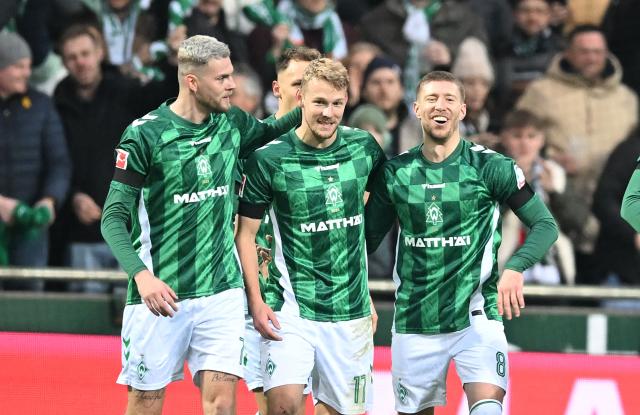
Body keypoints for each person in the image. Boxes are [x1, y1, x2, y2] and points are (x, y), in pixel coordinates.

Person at [100, 35, 300, 415]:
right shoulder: (145, 135)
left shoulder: (232, 122)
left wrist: (312, 103)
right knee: (145, 402)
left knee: (222, 404)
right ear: (192, 82)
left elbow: (271, 128)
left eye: (231, 75)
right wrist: (142, 276)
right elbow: (112, 219)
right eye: (222, 78)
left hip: (221, 293)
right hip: (161, 295)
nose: (232, 85)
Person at [365, 71, 558, 415]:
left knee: (487, 410)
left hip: (477, 314)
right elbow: (362, 241)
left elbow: (544, 225)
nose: (441, 106)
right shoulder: (395, 173)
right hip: (415, 318)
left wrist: (515, 267)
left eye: (449, 99)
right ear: (417, 109)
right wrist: (356, 291)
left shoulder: (491, 168)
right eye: (432, 100)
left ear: (463, 110)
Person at [235, 57, 385, 415]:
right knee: (283, 406)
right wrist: (256, 301)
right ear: (300, 98)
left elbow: (375, 214)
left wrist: (363, 287)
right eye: (319, 102)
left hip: (350, 313)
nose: (328, 113)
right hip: (291, 309)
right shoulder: (268, 159)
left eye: (336, 103)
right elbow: (246, 235)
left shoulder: (364, 149)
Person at [53, 24, 176, 288]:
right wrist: (73, 195)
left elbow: (168, 97)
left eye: (85, 53)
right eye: (72, 57)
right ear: (64, 62)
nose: (81, 62)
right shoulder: (57, 102)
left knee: (132, 314)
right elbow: (56, 160)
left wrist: (173, 60)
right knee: (86, 320)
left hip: (131, 230)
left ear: (100, 53)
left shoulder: (125, 90)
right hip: (81, 233)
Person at [516, 25, 638, 282]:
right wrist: (547, 158)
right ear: (568, 53)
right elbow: (519, 133)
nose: (591, 58)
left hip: (611, 219)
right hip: (562, 209)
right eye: (583, 51)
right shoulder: (541, 92)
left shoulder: (626, 98)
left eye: (597, 52)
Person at [239, 45, 321, 415]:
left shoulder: (341, 145)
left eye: (313, 83)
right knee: (279, 407)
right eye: (297, 83)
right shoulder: (251, 145)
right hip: (265, 296)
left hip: (325, 300)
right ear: (276, 89)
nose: (306, 93)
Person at [0, 31, 70, 289]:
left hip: (31, 228)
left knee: (29, 307)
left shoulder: (42, 105)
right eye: (18, 67)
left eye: (28, 67)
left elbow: (59, 161)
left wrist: (49, 199)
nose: (26, 74)